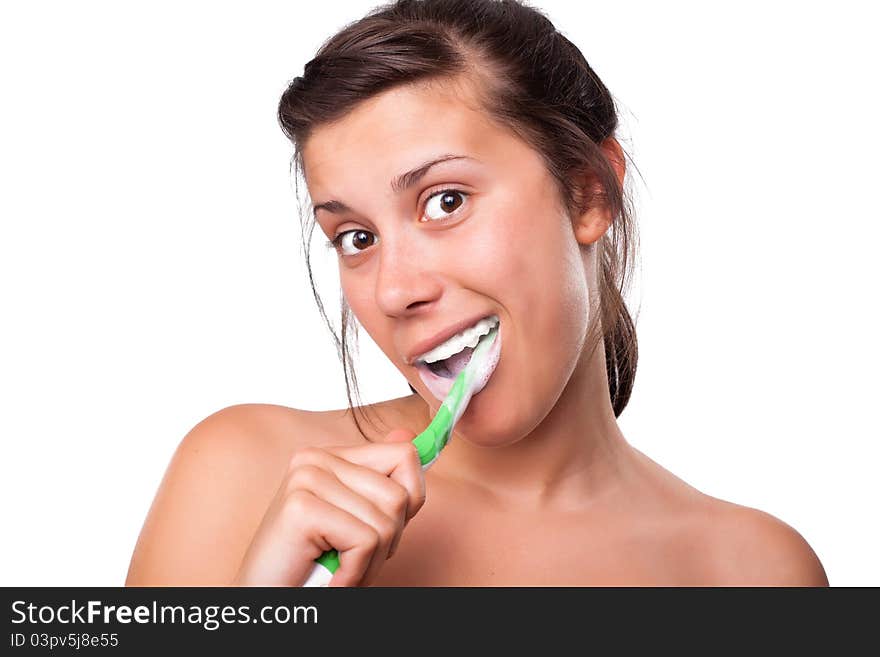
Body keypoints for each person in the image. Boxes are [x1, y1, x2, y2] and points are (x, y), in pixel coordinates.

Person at [125, 0, 829, 587]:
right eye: (356, 238)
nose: (395, 290)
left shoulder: (754, 571)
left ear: (588, 188)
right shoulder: (240, 475)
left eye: (446, 200)